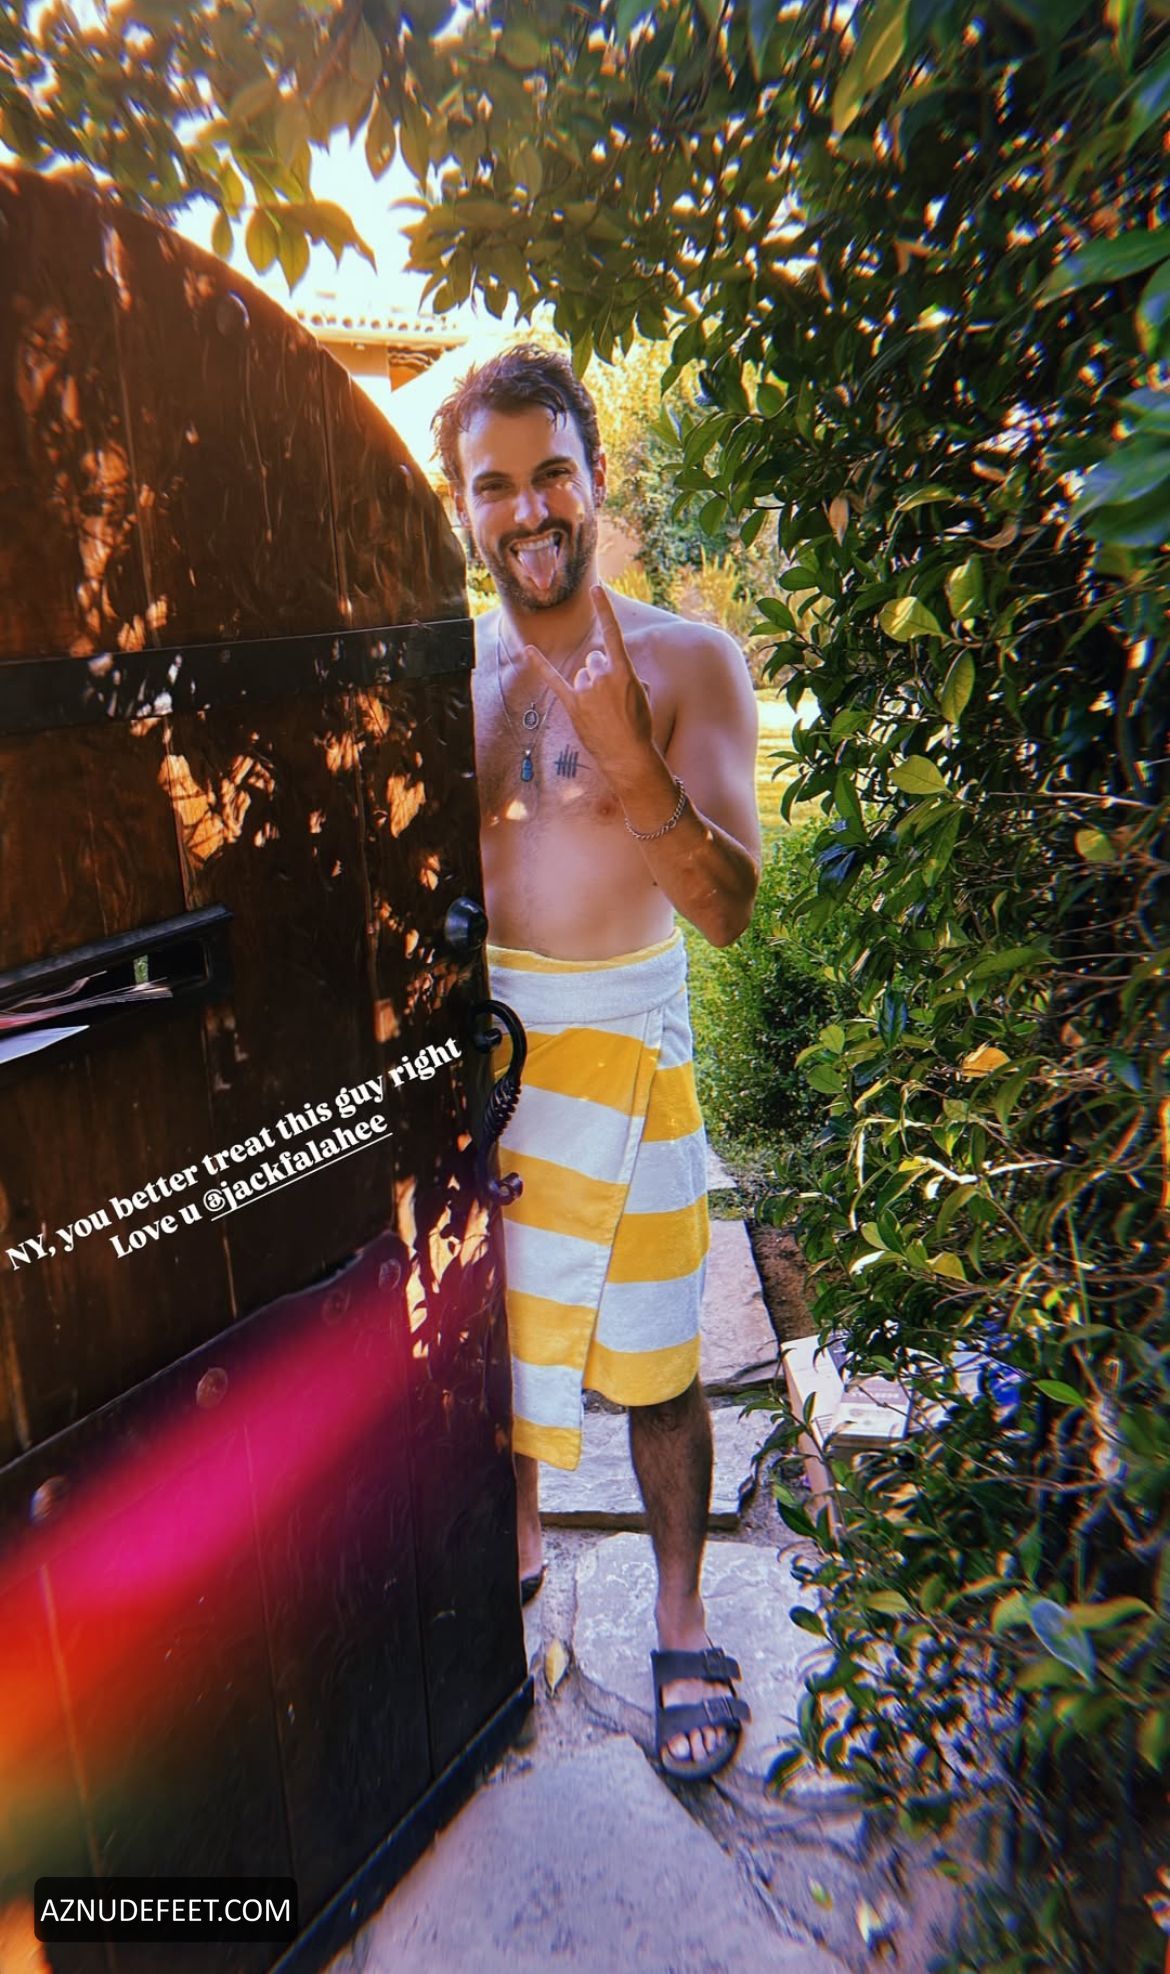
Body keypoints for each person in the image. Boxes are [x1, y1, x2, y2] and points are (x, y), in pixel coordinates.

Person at [434, 346, 761, 1782]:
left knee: (660, 1361)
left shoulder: (691, 661)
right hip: (493, 1052)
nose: (527, 510)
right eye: (493, 484)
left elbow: (728, 910)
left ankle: (680, 1613)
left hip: (632, 1044)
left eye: (550, 473)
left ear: (596, 475)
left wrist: (628, 757)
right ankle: (510, 1561)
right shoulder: (445, 675)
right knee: (490, 1344)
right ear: (464, 506)